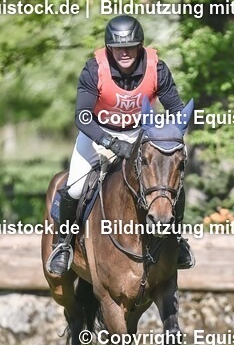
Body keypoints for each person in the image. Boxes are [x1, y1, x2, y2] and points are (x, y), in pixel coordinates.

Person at [46, 14, 196, 276]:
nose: (124, 53)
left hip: (140, 135)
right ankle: (64, 244)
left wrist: (166, 137)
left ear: (139, 46)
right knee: (75, 187)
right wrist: (111, 143)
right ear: (109, 48)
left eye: (130, 47)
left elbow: (175, 108)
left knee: (169, 187)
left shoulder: (157, 68)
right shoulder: (94, 69)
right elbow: (82, 115)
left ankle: (177, 240)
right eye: (118, 48)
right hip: (98, 134)